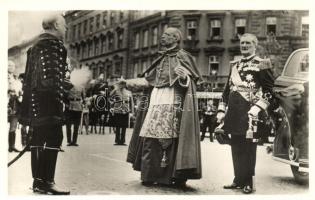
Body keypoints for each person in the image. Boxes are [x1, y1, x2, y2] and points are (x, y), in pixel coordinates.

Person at [125, 27, 202, 187]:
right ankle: (149, 174)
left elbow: (192, 82)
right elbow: (149, 80)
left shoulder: (183, 56)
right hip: (155, 100)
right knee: (150, 138)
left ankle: (170, 176)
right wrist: (127, 83)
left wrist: (185, 77)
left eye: (167, 35)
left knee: (169, 139)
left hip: (172, 100)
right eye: (163, 34)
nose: (163, 37)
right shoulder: (160, 58)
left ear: (175, 38)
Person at [19, 14, 72, 195]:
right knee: (55, 137)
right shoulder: (53, 45)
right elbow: (50, 79)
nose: (66, 29)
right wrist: (64, 92)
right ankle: (47, 182)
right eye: (64, 25)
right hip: (48, 101)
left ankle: (38, 182)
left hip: (35, 101)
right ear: (56, 25)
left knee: (38, 139)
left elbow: (30, 78)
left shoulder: (35, 46)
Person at [216, 33, 275, 194]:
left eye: (248, 43)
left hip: (251, 114)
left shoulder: (262, 64)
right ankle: (238, 180)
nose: (244, 45)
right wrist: (221, 110)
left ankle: (249, 181)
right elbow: (227, 90)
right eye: (242, 43)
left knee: (249, 149)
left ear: (255, 45)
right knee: (235, 147)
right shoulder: (235, 65)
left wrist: (258, 108)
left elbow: (270, 91)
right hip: (234, 113)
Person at [109, 76, 134, 145]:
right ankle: (117, 140)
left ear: (125, 84)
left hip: (125, 110)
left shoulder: (129, 92)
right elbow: (110, 95)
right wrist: (115, 88)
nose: (122, 85)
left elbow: (131, 102)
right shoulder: (116, 91)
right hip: (118, 109)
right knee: (117, 126)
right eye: (121, 83)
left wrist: (132, 111)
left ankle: (122, 141)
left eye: (123, 83)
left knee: (124, 126)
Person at [8, 60, 22, 152]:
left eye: (13, 66)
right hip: (6, 103)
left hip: (15, 104)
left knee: (13, 126)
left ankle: (11, 146)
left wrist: (19, 94)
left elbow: (19, 89)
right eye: (9, 65)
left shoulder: (16, 78)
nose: (11, 67)